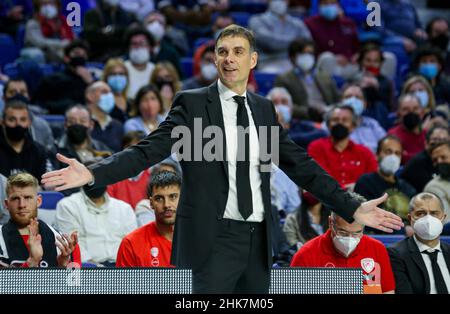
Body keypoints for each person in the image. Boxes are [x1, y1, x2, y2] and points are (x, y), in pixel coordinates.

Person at [42, 25, 403, 294]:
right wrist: (92, 172)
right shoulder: (193, 102)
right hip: (210, 241)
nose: (229, 58)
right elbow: (146, 150)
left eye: (238, 51)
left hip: (257, 239)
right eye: (222, 51)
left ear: (253, 59)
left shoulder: (263, 109)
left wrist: (351, 208)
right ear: (215, 59)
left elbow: (300, 165)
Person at [290, 193, 396, 294]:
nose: (349, 239)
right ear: (331, 223)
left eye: (356, 233)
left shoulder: (377, 249)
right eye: (343, 232)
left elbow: (387, 291)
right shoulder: (306, 254)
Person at [55, 161, 137, 266]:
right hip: (89, 268)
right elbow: (72, 245)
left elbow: (132, 244)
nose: (94, 182)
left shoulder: (124, 208)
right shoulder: (67, 206)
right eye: (90, 178)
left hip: (122, 267)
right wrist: (94, 267)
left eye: (99, 177)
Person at [0, 173, 81, 267]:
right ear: (6, 204)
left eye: (28, 198)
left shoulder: (65, 245)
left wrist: (62, 267)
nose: (22, 205)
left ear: (38, 201)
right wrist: (32, 261)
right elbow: (4, 282)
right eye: (15, 199)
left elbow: (75, 281)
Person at [388, 192, 450, 294]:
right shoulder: (396, 254)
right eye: (421, 213)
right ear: (410, 218)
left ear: (443, 217)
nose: (428, 219)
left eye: (434, 213)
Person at [116, 170, 181, 267]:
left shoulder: (200, 240)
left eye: (173, 197)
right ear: (151, 203)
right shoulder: (131, 244)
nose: (167, 205)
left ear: (184, 198)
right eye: (159, 198)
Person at [354, 135, 416, 233]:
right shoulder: (366, 182)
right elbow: (366, 220)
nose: (393, 157)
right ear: (377, 155)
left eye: (397, 153)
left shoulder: (408, 188)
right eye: (388, 152)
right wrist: (403, 231)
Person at [308, 105, 378, 189]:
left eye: (345, 120)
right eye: (335, 120)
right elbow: (321, 180)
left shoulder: (365, 152)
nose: (340, 123)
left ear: (353, 126)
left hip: (360, 200)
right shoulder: (316, 147)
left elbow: (373, 181)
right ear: (328, 125)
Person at [274, 38, 339, 113]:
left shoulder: (324, 77)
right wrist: (310, 112)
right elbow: (283, 105)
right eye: (303, 54)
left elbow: (337, 100)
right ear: (293, 57)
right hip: (305, 119)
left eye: (310, 53)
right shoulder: (284, 79)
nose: (308, 57)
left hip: (329, 116)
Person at [248, 0, 311, 74]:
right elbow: (270, 44)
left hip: (295, 63)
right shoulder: (257, 20)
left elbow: (308, 44)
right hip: (268, 63)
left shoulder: (297, 23)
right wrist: (296, 42)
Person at [35, 39, 95, 115]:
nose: (80, 58)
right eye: (77, 54)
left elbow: (97, 103)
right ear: (66, 58)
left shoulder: (91, 81)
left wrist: (90, 83)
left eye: (83, 55)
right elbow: (41, 103)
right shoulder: (52, 79)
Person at [304, 0, 359, 79]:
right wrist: (335, 58)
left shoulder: (348, 23)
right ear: (319, 6)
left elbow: (356, 47)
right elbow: (309, 50)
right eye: (325, 3)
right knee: (327, 58)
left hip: (348, 64)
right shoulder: (310, 24)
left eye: (333, 3)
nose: (329, 6)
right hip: (324, 64)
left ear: (338, 5)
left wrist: (353, 57)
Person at [0, 100, 50, 181]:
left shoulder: (39, 151)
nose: (18, 124)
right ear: (2, 122)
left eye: (22, 120)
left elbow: (46, 184)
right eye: (12, 120)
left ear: (29, 122)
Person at [2, 78, 54, 152]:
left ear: (29, 97)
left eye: (22, 92)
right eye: (13, 92)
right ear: (3, 97)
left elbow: (50, 156)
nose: (18, 96)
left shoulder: (42, 126)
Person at [106, 131, 150, 209]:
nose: (134, 152)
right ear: (122, 149)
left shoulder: (151, 174)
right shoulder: (112, 174)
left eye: (140, 148)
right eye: (130, 147)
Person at [401, 125, 450, 193]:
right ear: (426, 143)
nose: (439, 144)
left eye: (444, 141)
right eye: (435, 140)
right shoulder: (417, 164)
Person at [341, 84, 386, 153]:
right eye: (348, 97)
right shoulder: (332, 124)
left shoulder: (373, 124)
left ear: (365, 104)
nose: (353, 100)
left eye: (358, 97)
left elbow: (387, 145)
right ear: (341, 102)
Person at [85, 81, 124, 153]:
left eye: (110, 92)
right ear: (89, 96)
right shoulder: (81, 121)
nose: (109, 96)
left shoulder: (118, 125)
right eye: (104, 92)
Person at [388, 94, 427, 164]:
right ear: (398, 113)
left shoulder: (428, 135)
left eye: (415, 109)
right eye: (406, 109)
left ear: (422, 112)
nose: (411, 113)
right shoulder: (392, 136)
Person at [144, 11, 183, 78]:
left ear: (165, 28)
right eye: (151, 22)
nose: (155, 26)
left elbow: (179, 77)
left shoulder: (172, 52)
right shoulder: (136, 48)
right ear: (144, 27)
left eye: (160, 23)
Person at [123, 26, 156, 99]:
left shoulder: (156, 70)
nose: (138, 47)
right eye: (134, 44)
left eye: (142, 43)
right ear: (128, 48)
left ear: (150, 47)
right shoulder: (121, 69)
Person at [424, 141, 450, 222]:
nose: (439, 162)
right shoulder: (432, 187)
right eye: (435, 160)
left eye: (443, 157)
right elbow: (445, 221)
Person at [102, 58, 132, 123]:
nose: (117, 77)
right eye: (113, 74)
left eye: (121, 74)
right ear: (106, 77)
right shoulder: (102, 101)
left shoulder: (131, 102)